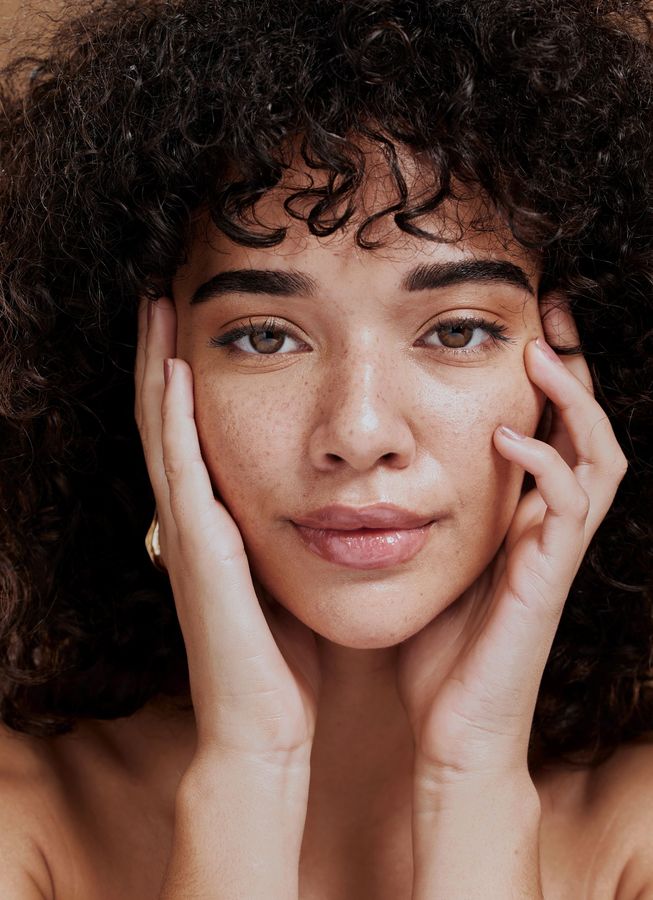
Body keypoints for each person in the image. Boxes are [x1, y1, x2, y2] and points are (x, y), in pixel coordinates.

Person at [0, 0, 651, 896]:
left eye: (457, 331)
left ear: (579, 385)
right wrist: (247, 771)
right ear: (143, 372)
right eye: (265, 336)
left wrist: (471, 780)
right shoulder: (24, 825)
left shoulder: (636, 836)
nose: (359, 433)